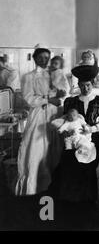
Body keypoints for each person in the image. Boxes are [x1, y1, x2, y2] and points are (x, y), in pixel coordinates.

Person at [49, 64, 99, 203]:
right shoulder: (71, 101)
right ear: (78, 85)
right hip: (74, 138)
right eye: (82, 85)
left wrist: (91, 129)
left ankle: (87, 198)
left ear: (92, 84)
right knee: (68, 158)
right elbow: (65, 120)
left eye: (88, 85)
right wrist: (66, 132)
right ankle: (69, 197)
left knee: (87, 160)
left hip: (94, 137)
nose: (85, 88)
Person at [15, 45, 63, 196]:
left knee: (54, 150)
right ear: (35, 58)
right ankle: (33, 188)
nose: (44, 60)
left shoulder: (54, 73)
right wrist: (49, 99)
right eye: (41, 58)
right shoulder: (28, 77)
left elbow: (63, 92)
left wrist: (60, 95)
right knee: (35, 151)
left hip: (53, 115)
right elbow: (29, 99)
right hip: (38, 117)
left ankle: (54, 187)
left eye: (46, 58)